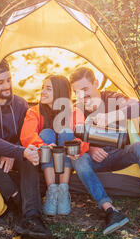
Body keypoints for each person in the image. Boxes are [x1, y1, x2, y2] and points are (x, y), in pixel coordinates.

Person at [69, 67, 140, 235]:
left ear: (96, 84)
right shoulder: (76, 108)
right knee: (77, 159)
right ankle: (110, 211)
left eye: (85, 89)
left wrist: (111, 116)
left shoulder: (112, 98)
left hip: (118, 155)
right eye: (77, 92)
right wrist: (90, 148)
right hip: (94, 161)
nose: (82, 95)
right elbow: (72, 140)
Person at [0, 59, 52, 239]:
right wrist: (16, 151)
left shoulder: (20, 104)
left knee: (28, 152)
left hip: (14, 154)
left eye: (8, 80)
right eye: (0, 82)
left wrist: (14, 152)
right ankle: (16, 197)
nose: (7, 86)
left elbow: (25, 134)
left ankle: (32, 217)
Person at [20, 75, 89, 216]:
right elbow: (27, 136)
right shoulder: (34, 112)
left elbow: (83, 138)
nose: (43, 92)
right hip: (45, 158)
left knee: (66, 133)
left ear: (59, 91)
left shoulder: (76, 112)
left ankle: (63, 191)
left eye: (48, 89)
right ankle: (51, 190)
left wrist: (78, 148)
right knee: (46, 132)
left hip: (67, 158)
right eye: (42, 88)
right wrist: (44, 145)